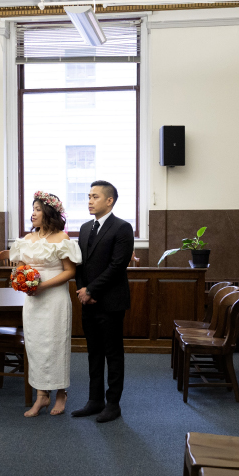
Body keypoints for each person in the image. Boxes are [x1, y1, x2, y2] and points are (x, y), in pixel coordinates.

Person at [8, 192, 81, 417]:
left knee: (56, 344)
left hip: (55, 298)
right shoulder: (26, 240)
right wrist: (20, 280)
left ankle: (61, 392)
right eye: (33, 209)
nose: (33, 213)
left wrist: (43, 285)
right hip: (33, 301)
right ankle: (41, 395)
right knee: (36, 345)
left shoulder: (62, 239)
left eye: (38, 209)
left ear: (48, 213)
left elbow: (70, 271)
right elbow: (19, 268)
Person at [72, 181, 135, 424]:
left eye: (95, 196)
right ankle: (94, 400)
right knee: (93, 352)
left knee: (113, 353)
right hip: (88, 302)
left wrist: (92, 289)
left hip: (110, 302)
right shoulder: (86, 227)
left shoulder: (122, 228)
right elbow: (79, 264)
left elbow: (118, 265)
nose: (89, 200)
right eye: (88, 196)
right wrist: (81, 290)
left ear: (109, 201)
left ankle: (113, 404)